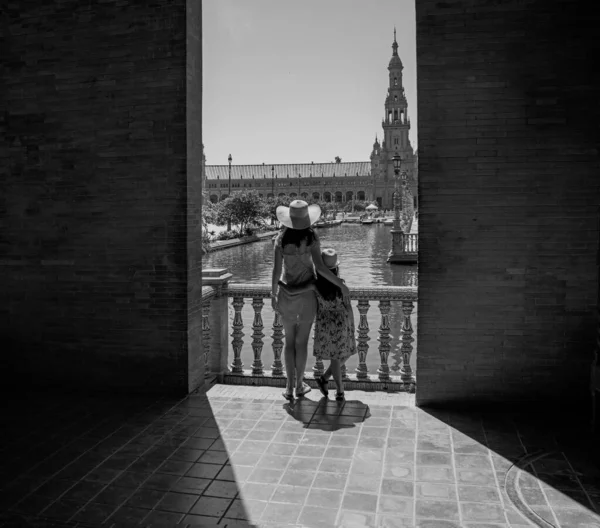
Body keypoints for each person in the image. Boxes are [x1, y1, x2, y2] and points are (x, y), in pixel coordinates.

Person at [272, 200, 350, 401]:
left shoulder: (280, 240)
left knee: (288, 342)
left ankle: (289, 387)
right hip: (307, 296)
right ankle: (299, 385)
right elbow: (321, 269)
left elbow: (275, 271)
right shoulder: (312, 238)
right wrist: (341, 285)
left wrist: (273, 294)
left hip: (286, 295)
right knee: (301, 342)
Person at [313, 248, 357, 401]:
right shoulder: (341, 285)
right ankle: (339, 391)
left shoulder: (315, 285)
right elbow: (348, 305)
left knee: (338, 357)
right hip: (341, 322)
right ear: (336, 268)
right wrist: (351, 324)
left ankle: (325, 379)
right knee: (339, 357)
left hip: (325, 323)